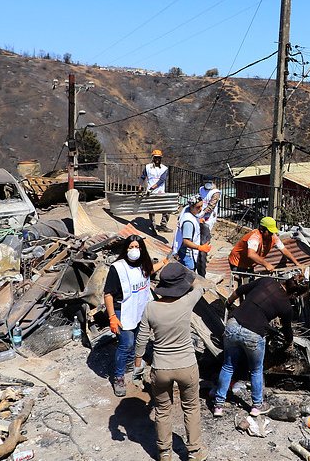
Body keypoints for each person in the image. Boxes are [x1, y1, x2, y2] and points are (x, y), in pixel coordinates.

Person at [134, 262, 207, 461]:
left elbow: (141, 339)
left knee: (162, 410)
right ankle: (194, 452)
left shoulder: (151, 308)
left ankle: (164, 453)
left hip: (161, 367)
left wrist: (138, 364)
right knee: (191, 408)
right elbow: (199, 285)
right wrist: (187, 280)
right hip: (186, 365)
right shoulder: (187, 302)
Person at [212, 273, 310, 417]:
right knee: (256, 370)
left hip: (233, 325)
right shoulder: (286, 306)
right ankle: (256, 407)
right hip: (253, 334)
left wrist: (228, 302)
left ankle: (218, 406)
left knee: (228, 366)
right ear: (294, 293)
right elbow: (287, 329)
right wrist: (289, 342)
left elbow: (241, 290)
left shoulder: (267, 281)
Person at [103, 235, 155, 397]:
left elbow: (150, 273)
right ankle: (118, 376)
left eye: (137, 247)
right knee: (126, 343)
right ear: (126, 249)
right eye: (131, 247)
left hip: (139, 310)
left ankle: (130, 365)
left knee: (138, 340)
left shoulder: (143, 265)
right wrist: (112, 316)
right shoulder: (117, 268)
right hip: (122, 310)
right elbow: (108, 294)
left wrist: (165, 263)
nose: (134, 250)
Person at [228, 216, 301, 278]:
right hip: (237, 262)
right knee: (240, 287)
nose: (271, 234)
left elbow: (284, 250)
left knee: (250, 284)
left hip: (249, 264)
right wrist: (266, 264)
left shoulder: (273, 237)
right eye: (269, 232)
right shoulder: (255, 237)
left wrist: (297, 264)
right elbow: (251, 254)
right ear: (262, 229)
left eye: (272, 232)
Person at [171, 195, 211, 273]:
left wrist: (197, 219)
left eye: (201, 206)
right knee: (189, 272)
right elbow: (186, 241)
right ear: (191, 207)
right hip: (187, 254)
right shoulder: (188, 223)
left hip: (184, 250)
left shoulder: (187, 209)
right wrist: (200, 247)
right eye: (198, 207)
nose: (200, 209)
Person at [140, 149, 170, 231]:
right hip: (150, 193)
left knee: (166, 209)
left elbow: (162, 180)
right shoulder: (147, 167)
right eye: (156, 157)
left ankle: (163, 225)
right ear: (153, 158)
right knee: (151, 210)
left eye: (159, 158)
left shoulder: (164, 168)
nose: (157, 159)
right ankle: (152, 225)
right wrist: (140, 185)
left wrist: (152, 187)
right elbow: (143, 177)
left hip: (160, 192)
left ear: (161, 158)